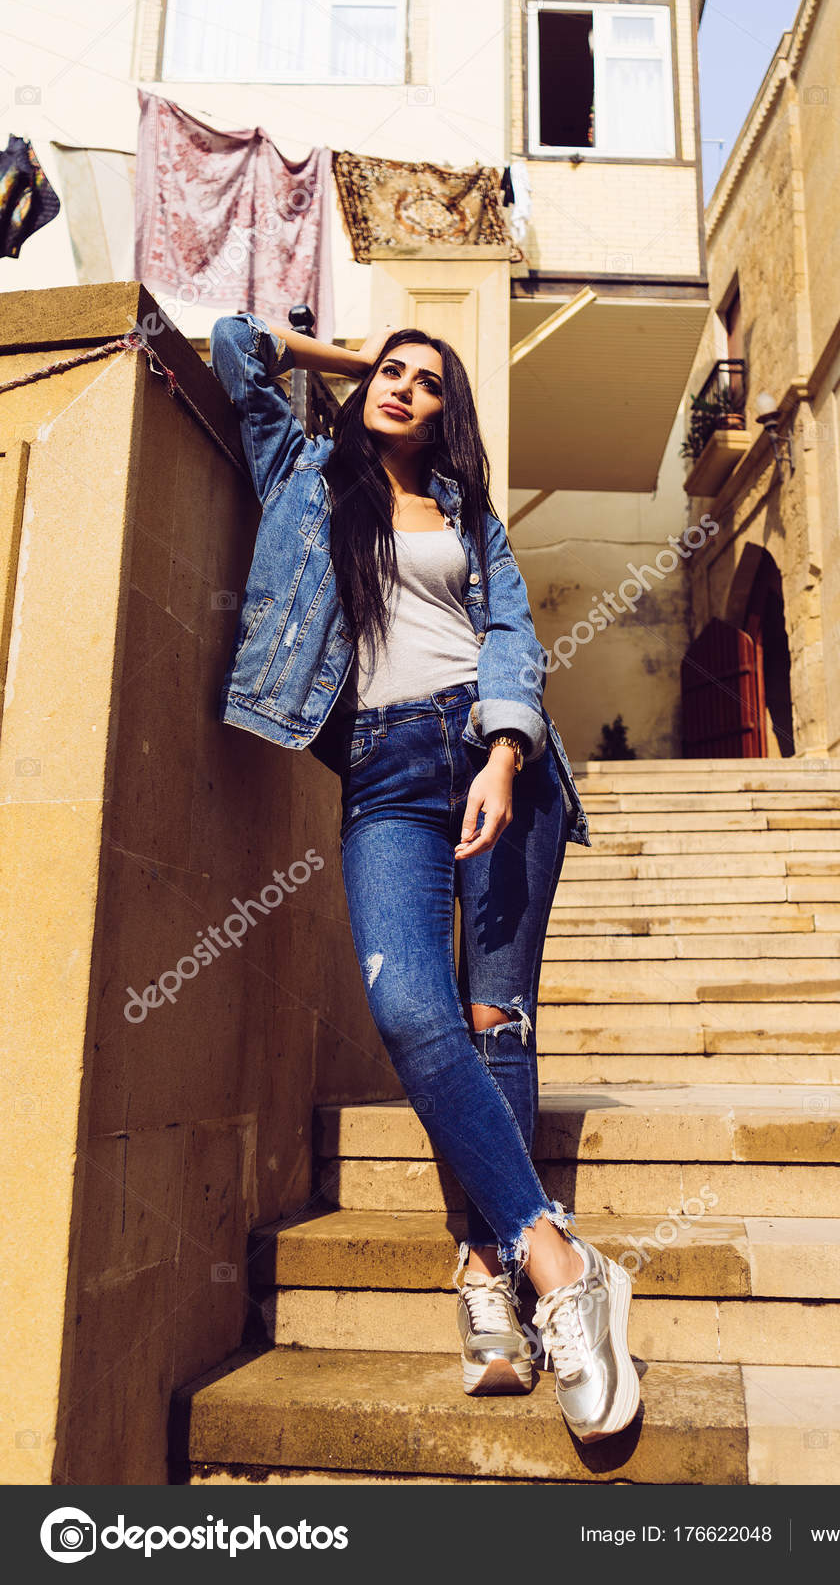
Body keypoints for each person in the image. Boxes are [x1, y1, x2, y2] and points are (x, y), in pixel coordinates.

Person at [208, 308, 640, 1443]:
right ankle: (560, 1259)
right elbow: (235, 343)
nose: (401, 388)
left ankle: (486, 1270)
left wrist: (505, 752)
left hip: (496, 753)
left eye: (427, 382)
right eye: (390, 375)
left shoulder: (470, 516)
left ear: (453, 415)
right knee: (412, 1005)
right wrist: (363, 358)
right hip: (384, 766)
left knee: (497, 1018)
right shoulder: (305, 472)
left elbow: (511, 635)